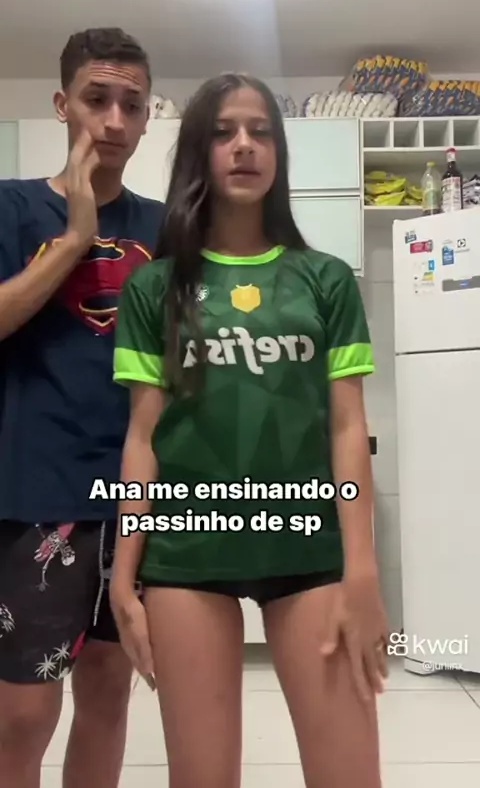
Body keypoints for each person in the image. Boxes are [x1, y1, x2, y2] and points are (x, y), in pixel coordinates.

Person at [110, 72, 389, 788]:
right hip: (185, 554)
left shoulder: (325, 279)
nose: (244, 146)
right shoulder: (153, 288)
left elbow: (348, 427)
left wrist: (363, 571)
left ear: (279, 153)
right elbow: (143, 437)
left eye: (261, 132)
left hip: (310, 549)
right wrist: (124, 574)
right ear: (198, 153)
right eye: (224, 132)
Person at [0, 27, 165, 788]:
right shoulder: (12, 206)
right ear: (63, 104)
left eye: (133, 104)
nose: (115, 120)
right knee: (23, 715)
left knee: (108, 692)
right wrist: (73, 239)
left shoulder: (165, 226)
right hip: (38, 493)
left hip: (136, 494)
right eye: (97, 99)